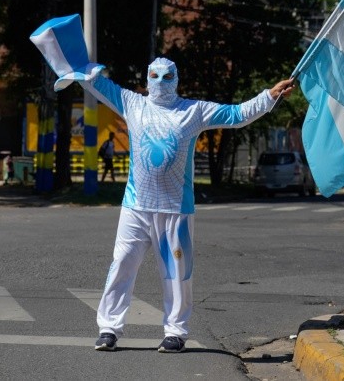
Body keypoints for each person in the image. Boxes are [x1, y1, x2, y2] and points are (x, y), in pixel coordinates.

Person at [78, 58, 294, 353]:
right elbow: (98, 85)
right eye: (155, 76)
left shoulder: (193, 111)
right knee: (122, 265)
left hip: (176, 210)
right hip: (136, 206)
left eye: (168, 76)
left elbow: (237, 114)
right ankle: (108, 329)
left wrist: (269, 96)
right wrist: (77, 66)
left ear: (176, 79)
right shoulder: (132, 103)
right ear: (147, 78)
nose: (161, 81)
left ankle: (176, 332)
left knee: (177, 273)